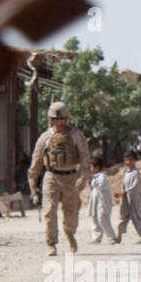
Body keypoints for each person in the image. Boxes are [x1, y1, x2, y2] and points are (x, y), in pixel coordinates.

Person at [28, 101, 90, 256]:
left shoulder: (76, 135)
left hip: (70, 177)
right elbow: (37, 161)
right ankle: (51, 244)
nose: (60, 122)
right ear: (52, 119)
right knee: (49, 211)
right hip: (51, 176)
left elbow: (84, 157)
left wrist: (83, 177)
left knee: (71, 213)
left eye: (63, 119)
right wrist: (33, 182)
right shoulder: (45, 137)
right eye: (57, 119)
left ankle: (69, 233)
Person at [115, 149, 141, 244]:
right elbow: (124, 186)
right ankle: (118, 235)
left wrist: (125, 192)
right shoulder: (127, 173)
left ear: (135, 160)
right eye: (126, 160)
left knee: (135, 218)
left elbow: (135, 186)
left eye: (130, 160)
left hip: (133, 200)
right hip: (126, 200)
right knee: (123, 217)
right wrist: (122, 193)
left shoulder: (135, 173)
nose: (128, 162)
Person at [88, 160, 117, 244]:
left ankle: (112, 237)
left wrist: (93, 181)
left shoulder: (102, 177)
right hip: (95, 201)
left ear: (97, 167)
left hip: (102, 202)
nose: (91, 169)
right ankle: (96, 238)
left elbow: (102, 186)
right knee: (95, 218)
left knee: (103, 219)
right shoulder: (95, 177)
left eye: (92, 167)